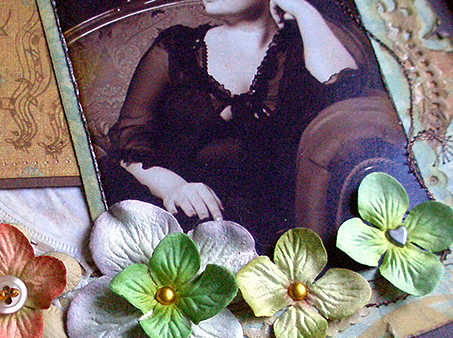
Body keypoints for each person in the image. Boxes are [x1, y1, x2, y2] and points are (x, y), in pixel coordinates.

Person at [100, 0, 380, 250]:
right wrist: (172, 186)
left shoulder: (301, 48)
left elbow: (347, 92)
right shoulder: (177, 47)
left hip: (255, 221)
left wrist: (302, 9)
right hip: (162, 199)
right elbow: (128, 136)